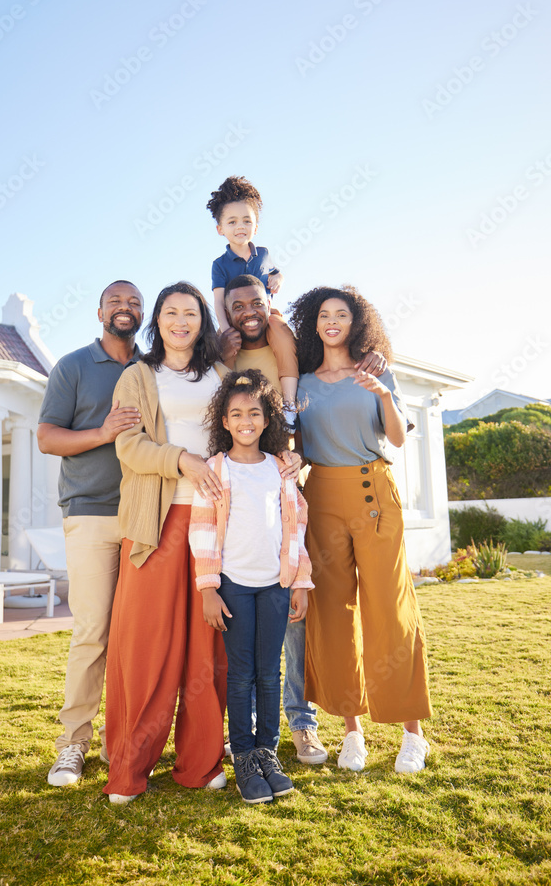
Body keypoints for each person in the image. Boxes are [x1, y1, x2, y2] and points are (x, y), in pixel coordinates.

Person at [102, 282, 300, 803]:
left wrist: (289, 458)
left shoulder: (219, 374)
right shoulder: (138, 376)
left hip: (221, 527)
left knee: (209, 649)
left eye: (190, 313)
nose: (181, 321)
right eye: (171, 312)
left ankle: (200, 760)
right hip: (158, 522)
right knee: (148, 647)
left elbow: (249, 428)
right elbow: (129, 447)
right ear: (158, 321)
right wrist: (182, 461)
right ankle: (129, 769)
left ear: (202, 321)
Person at [219, 273, 387, 766]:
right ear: (225, 310)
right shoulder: (221, 349)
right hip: (234, 482)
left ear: (269, 302)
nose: (247, 311)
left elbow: (334, 380)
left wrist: (377, 356)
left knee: (292, 616)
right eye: (237, 305)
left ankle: (301, 723)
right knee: (241, 624)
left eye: (256, 301)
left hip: (285, 479)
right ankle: (244, 731)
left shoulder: (292, 346)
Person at [289, 285, 432, 775]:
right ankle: (353, 732)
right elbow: (304, 447)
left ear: (356, 322)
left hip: (374, 491)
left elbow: (395, 437)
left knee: (389, 609)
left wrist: (385, 395)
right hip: (322, 495)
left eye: (341, 315)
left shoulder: (376, 371)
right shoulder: (303, 384)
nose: (332, 321)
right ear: (314, 323)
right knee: (332, 613)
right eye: (324, 315)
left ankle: (413, 733)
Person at [189, 370, 314, 803]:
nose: (245, 420)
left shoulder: (280, 470)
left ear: (266, 420)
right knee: (241, 676)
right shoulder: (215, 470)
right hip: (235, 587)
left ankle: (267, 752)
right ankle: (243, 755)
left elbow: (295, 529)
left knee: (270, 672)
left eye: (254, 413)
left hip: (275, 586)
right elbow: (201, 530)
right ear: (224, 421)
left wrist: (301, 582)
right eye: (236, 413)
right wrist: (208, 588)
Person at [37, 280, 144, 786]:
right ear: (99, 310)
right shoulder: (74, 366)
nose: (126, 309)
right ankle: (73, 744)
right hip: (92, 515)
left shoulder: (152, 367)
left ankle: (120, 741)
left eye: (134, 303)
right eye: (116, 301)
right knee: (92, 633)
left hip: (149, 518)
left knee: (135, 637)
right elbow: (46, 437)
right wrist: (102, 432)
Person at [207, 176, 299, 410]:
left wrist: (279, 278)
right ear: (220, 229)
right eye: (232, 222)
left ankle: (289, 404)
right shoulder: (219, 264)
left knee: (284, 336)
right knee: (219, 352)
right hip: (233, 318)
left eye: (247, 221)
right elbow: (219, 302)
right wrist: (226, 329)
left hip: (265, 315)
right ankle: (225, 407)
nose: (240, 227)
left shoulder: (264, 254)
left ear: (256, 226)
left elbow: (277, 272)